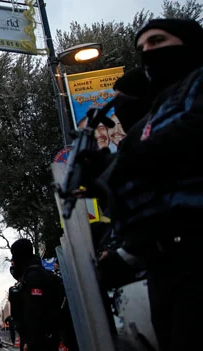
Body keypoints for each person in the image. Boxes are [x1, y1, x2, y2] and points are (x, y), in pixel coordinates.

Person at [95, 18, 203, 351]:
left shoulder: (197, 85)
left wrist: (128, 159)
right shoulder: (156, 110)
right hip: (163, 262)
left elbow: (190, 133)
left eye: (157, 41)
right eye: (141, 48)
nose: (148, 52)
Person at [9, 239, 60, 351]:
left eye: (14, 256)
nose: (12, 261)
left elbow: (34, 311)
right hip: (41, 337)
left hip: (38, 340)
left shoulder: (33, 277)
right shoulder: (32, 274)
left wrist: (30, 341)